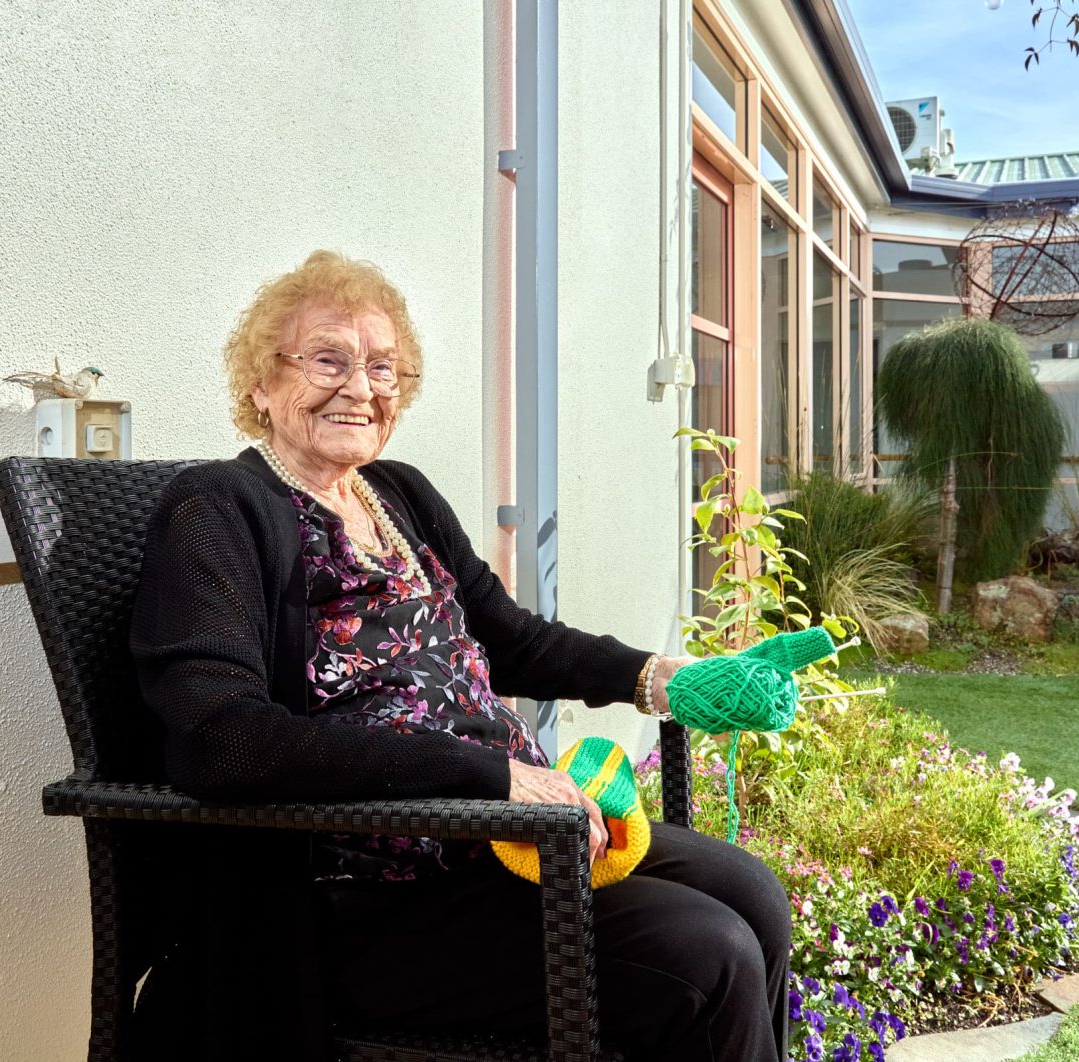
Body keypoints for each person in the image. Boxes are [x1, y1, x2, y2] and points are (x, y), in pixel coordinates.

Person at [129, 250, 790, 1061]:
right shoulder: (216, 508)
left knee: (752, 892)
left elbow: (511, 640)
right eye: (327, 360)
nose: (360, 388)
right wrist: (488, 776)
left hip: (498, 843)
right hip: (358, 891)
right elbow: (221, 737)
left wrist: (659, 677)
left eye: (382, 367)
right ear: (262, 384)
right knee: (704, 953)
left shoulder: (395, 493)